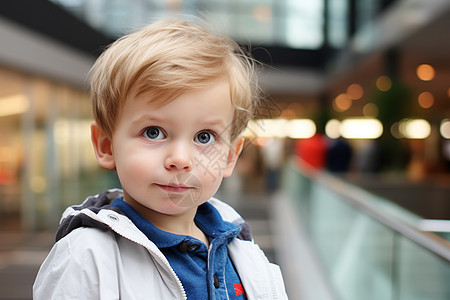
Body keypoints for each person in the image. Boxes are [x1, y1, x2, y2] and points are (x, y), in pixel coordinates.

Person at [33, 19, 287, 299]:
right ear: (106, 146)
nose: (180, 159)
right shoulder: (85, 257)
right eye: (153, 132)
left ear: (229, 156)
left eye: (204, 137)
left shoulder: (243, 250)